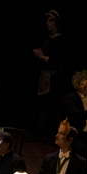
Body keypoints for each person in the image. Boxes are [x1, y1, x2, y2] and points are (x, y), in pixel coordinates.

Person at [32, 10, 68, 140]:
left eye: (51, 20)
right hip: (44, 77)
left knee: (53, 108)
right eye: (47, 20)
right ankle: (42, 134)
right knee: (43, 107)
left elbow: (58, 61)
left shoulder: (61, 40)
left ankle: (53, 135)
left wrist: (42, 56)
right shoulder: (48, 39)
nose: (48, 23)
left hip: (55, 79)